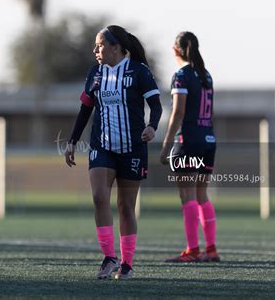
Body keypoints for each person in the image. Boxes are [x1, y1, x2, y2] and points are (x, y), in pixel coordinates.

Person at [65, 25, 162, 280]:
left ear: (116, 47)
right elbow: (85, 110)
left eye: (100, 44)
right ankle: (109, 257)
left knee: (125, 206)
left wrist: (152, 127)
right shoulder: (95, 73)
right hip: (101, 146)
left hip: (132, 148)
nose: (95, 49)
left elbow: (155, 105)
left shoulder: (138, 71)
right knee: (99, 197)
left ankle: (127, 263)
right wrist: (72, 141)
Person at [159, 31, 220, 262]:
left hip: (189, 141)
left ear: (175, 50)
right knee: (202, 195)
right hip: (208, 139)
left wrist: (165, 147)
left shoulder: (181, 75)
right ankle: (211, 249)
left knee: (187, 196)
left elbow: (178, 113)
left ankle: (193, 250)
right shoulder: (207, 75)